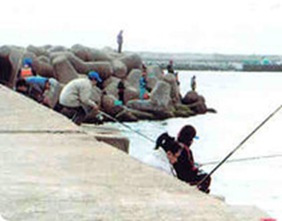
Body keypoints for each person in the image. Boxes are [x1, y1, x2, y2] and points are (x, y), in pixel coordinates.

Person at [155, 125, 211, 193]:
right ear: (190, 139)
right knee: (207, 177)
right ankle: (201, 192)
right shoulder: (186, 150)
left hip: (177, 171)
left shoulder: (174, 145)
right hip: (183, 176)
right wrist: (196, 168)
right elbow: (190, 167)